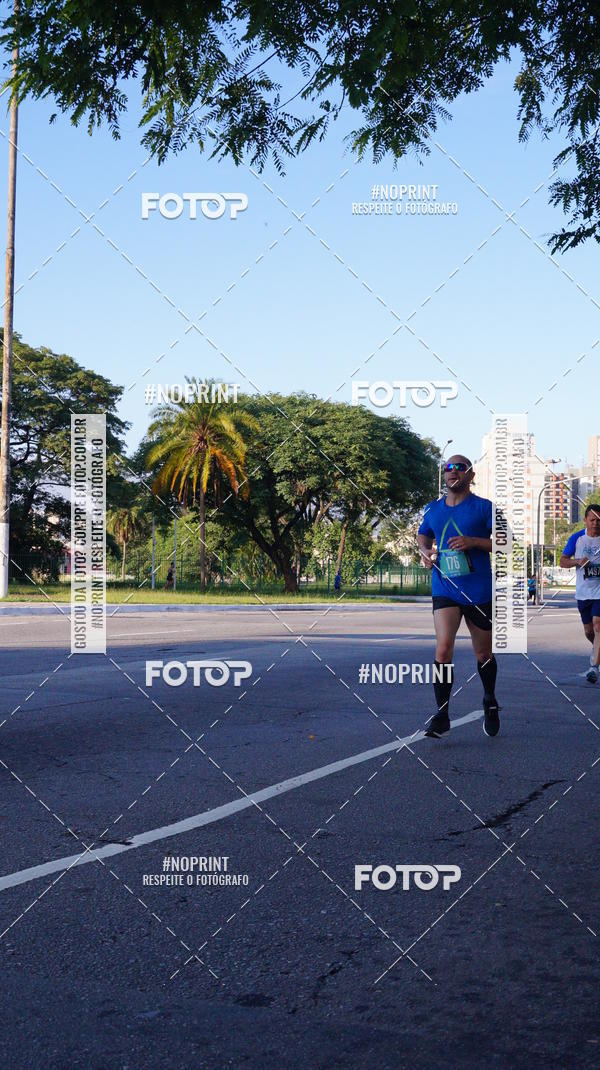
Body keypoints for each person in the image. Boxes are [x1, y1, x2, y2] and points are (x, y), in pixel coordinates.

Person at [417, 454, 500, 738]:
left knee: (483, 653)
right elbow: (423, 537)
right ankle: (441, 715)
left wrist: (474, 542)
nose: (453, 472)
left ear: (470, 475)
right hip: (445, 586)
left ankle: (489, 700)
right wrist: (426, 553)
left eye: (459, 468)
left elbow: (508, 542)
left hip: (477, 590)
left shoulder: (485, 508)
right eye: (448, 468)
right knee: (442, 650)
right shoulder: (433, 509)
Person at [559, 503, 600, 683]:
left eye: (599, 521)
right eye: (592, 520)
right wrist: (577, 562)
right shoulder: (577, 538)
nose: (596, 524)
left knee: (598, 625)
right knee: (589, 631)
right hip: (583, 594)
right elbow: (562, 561)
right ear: (585, 520)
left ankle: (594, 668)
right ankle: (597, 650)